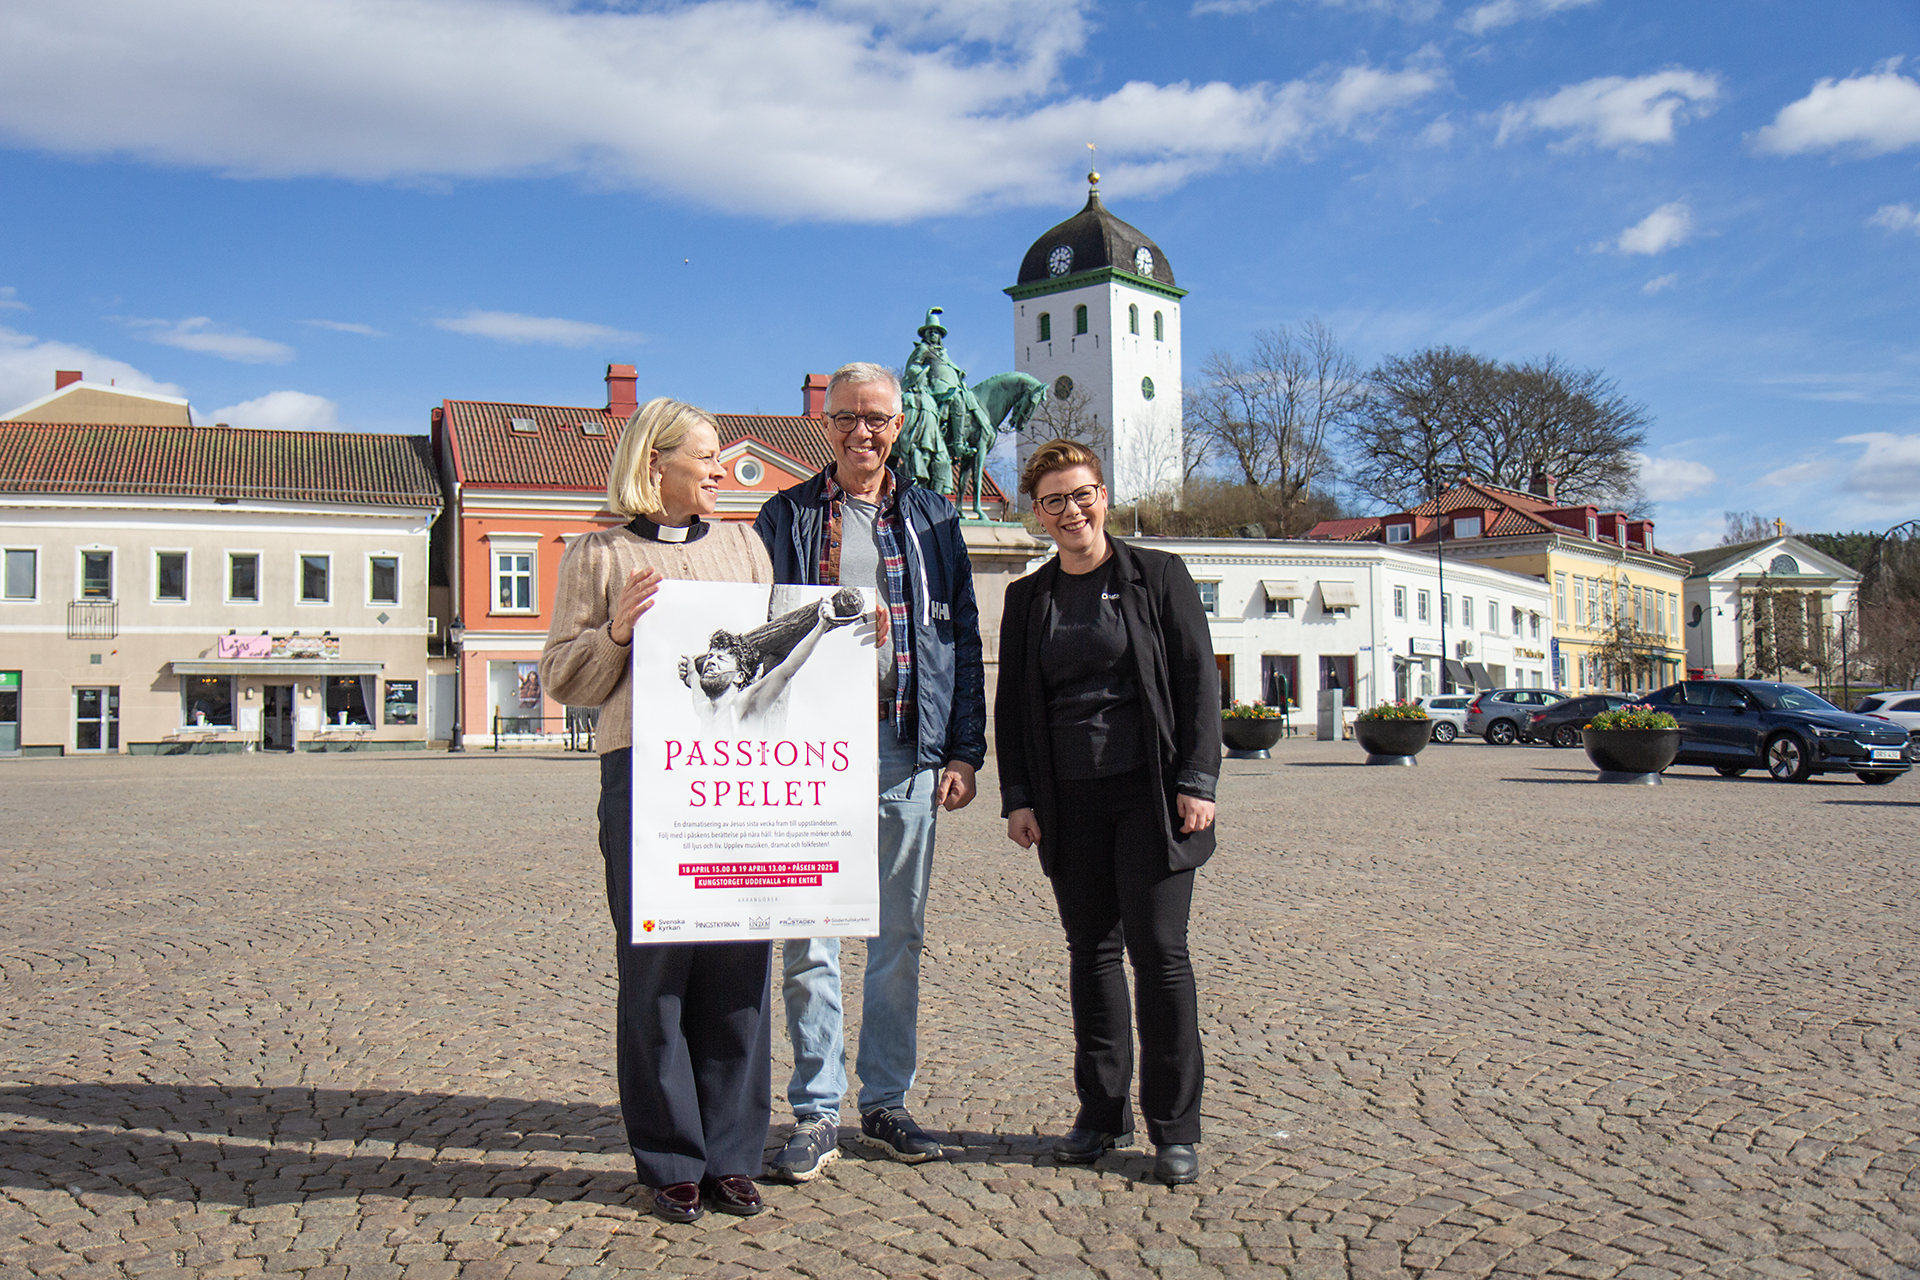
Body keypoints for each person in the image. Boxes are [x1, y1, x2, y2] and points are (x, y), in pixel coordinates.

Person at [539, 397, 778, 1225]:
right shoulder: (599, 553)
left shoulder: (745, 546)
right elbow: (563, 677)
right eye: (705, 457)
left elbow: (772, 653)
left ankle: (733, 1155)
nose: (719, 470)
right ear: (655, 462)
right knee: (658, 971)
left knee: (740, 966)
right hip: (644, 775)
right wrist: (614, 633)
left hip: (739, 776)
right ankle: (672, 1158)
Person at [753, 361, 987, 1182]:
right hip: (810, 752)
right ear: (827, 424)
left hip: (901, 743)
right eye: (848, 417)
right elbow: (756, 624)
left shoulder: (932, 517)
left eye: (877, 418)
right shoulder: (784, 515)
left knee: (898, 933)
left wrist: (963, 749)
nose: (863, 431)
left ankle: (885, 1102)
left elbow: (961, 638)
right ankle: (816, 1112)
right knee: (808, 933)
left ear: (898, 426)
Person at [994, 438, 1221, 1187]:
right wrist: (1019, 797)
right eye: (1054, 501)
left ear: (1103, 497)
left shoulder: (1158, 576)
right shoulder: (1028, 599)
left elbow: (1197, 682)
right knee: (1090, 952)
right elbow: (1013, 706)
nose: (1072, 511)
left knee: (1159, 953)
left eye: (1082, 495)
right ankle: (1100, 1112)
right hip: (1068, 798)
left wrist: (1198, 780)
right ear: (1038, 513)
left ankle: (1175, 1129)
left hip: (1150, 792)